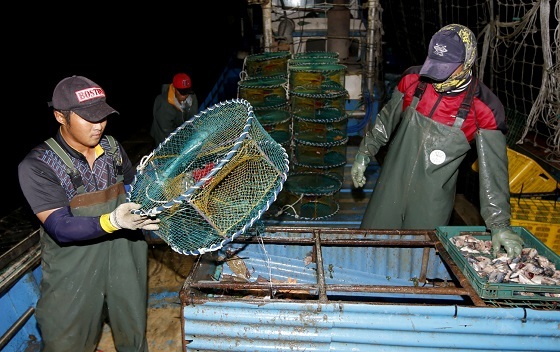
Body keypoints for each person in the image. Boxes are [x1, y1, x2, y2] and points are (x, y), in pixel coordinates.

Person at [350, 24, 523, 258]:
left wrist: (500, 224)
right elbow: (385, 121)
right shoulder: (413, 80)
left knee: (419, 257)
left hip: (432, 199)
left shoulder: (484, 108)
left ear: (468, 61)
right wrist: (364, 152)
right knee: (368, 246)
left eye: (447, 68)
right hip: (391, 182)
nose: (438, 74)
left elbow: (493, 173)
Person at [18, 75, 160, 352]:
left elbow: (132, 187)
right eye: (88, 118)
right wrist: (114, 220)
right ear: (61, 116)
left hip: (125, 254)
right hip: (74, 266)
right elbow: (60, 227)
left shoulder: (112, 148)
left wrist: (155, 195)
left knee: (133, 331)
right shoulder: (38, 165)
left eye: (103, 117)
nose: (98, 126)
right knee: (66, 340)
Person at [150, 72, 199, 146]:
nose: (185, 96)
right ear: (174, 88)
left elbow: (193, 119)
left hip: (180, 131)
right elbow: (166, 130)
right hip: (163, 135)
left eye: (187, 92)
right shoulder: (164, 103)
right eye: (182, 93)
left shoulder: (192, 97)